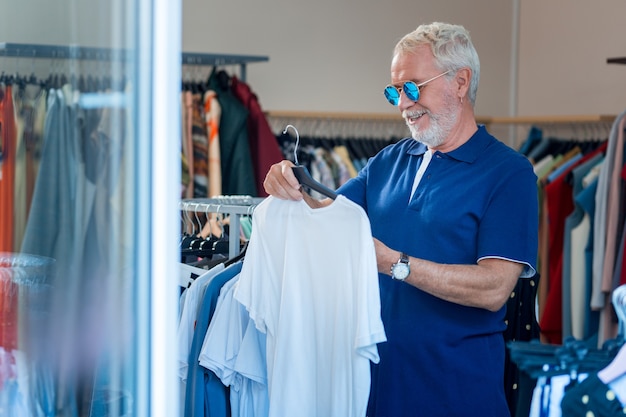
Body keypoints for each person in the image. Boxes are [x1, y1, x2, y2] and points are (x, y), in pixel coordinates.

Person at [263, 22, 538, 417]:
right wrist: (289, 183)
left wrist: (393, 263)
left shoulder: (508, 173)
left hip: (457, 397)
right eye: (394, 91)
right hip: (374, 391)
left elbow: (494, 287)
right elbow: (328, 217)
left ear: (461, 83)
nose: (402, 104)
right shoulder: (388, 161)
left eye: (412, 87)